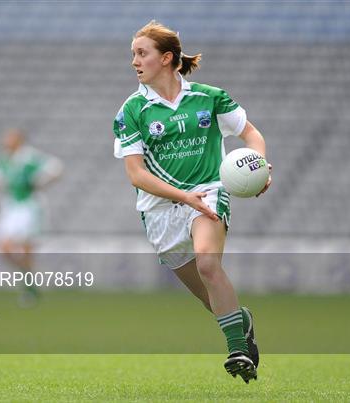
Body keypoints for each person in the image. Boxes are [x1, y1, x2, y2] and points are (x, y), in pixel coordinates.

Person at [113, 21, 271, 383]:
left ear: (167, 58)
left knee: (208, 265)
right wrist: (182, 196)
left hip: (209, 192)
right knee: (209, 298)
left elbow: (250, 133)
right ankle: (241, 323)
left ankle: (236, 352)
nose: (134, 61)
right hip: (159, 212)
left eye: (142, 53)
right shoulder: (132, 110)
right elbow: (136, 175)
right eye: (133, 54)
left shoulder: (210, 97)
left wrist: (259, 165)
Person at [0, 128, 63, 306]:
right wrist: (1, 185)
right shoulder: (5, 160)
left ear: (19, 140)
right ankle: (30, 278)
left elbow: (56, 168)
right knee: (4, 248)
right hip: (11, 206)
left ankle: (30, 287)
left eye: (9, 138)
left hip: (29, 206)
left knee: (26, 248)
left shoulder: (29, 158)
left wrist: (38, 183)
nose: (5, 141)